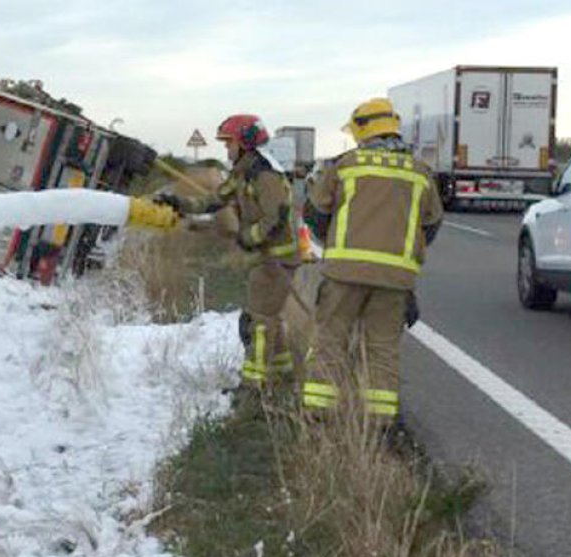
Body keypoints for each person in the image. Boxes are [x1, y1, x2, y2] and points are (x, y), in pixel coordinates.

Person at [301, 97, 443, 424]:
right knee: (382, 348)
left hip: (344, 274)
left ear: (363, 130)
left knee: (330, 341)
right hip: (395, 279)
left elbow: (315, 213)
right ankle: (379, 425)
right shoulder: (421, 172)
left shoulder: (346, 165)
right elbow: (431, 224)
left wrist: (337, 241)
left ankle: (318, 416)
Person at [159, 115, 299, 391]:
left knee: (258, 322)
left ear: (245, 143)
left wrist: (250, 237)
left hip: (276, 260)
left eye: (229, 142)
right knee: (268, 317)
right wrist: (179, 203)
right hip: (264, 258)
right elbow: (215, 200)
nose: (226, 149)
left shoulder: (265, 173)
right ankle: (284, 376)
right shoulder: (243, 171)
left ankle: (253, 387)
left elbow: (277, 216)